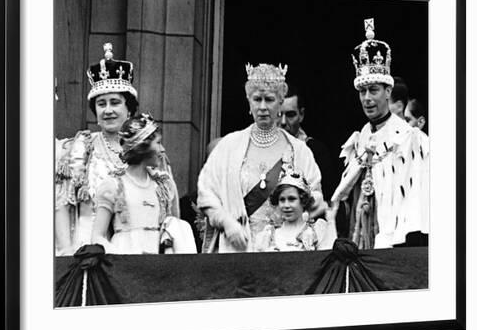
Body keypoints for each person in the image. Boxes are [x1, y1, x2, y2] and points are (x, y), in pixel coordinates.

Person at [54, 42, 177, 255]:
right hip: (85, 249)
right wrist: (65, 251)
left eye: (114, 102)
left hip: (136, 250)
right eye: (101, 104)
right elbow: (62, 203)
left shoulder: (152, 152)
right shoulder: (81, 147)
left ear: (128, 108)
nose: (108, 110)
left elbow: (167, 209)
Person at [197, 62, 334, 253]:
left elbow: (315, 196)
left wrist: (301, 218)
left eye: (269, 99)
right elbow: (206, 194)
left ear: (280, 102)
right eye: (257, 99)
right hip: (238, 247)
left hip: (285, 251)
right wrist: (227, 222)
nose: (262, 107)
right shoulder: (228, 146)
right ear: (248, 102)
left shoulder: (299, 151)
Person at [331, 18, 429, 249]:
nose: (367, 98)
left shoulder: (410, 139)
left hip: (398, 244)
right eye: (362, 91)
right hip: (361, 238)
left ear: (388, 91)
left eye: (373, 90)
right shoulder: (360, 139)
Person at [91, 114, 197, 254]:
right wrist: (119, 256)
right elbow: (97, 237)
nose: (163, 149)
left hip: (158, 265)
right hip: (124, 262)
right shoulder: (113, 185)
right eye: (158, 143)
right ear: (142, 146)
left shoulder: (163, 185)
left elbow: (174, 229)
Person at [280, 87, 337, 202]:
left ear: (301, 115)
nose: (283, 122)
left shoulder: (317, 152)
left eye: (290, 115)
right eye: (278, 114)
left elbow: (328, 202)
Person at [257, 172, 330, 252]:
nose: (286, 205)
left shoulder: (316, 232)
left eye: (292, 199)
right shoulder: (268, 235)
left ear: (303, 201)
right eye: (282, 200)